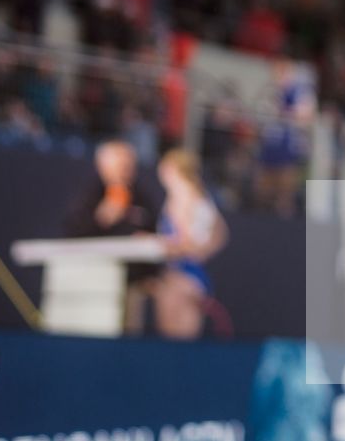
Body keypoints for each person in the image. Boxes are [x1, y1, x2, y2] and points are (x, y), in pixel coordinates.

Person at [64, 138, 160, 335]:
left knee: (129, 328)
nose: (125, 171)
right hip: (91, 279)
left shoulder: (142, 196)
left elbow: (154, 235)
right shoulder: (90, 195)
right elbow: (72, 232)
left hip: (132, 280)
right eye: (120, 166)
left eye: (129, 166)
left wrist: (151, 274)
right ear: (103, 166)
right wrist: (103, 217)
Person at [151, 146, 229, 339]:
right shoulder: (199, 195)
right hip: (190, 273)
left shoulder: (183, 197)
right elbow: (220, 234)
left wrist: (161, 246)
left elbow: (183, 241)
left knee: (175, 335)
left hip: (183, 274)